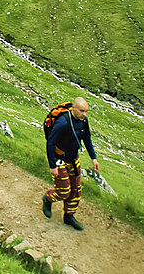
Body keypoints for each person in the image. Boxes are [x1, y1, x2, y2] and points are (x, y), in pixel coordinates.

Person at [42, 97, 99, 231]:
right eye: (82, 111)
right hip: (59, 159)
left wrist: (94, 158)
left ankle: (69, 216)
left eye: (86, 112)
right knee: (64, 191)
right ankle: (48, 198)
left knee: (76, 190)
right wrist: (52, 166)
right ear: (73, 108)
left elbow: (87, 138)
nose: (84, 114)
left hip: (74, 158)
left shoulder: (83, 121)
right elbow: (50, 143)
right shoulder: (62, 123)